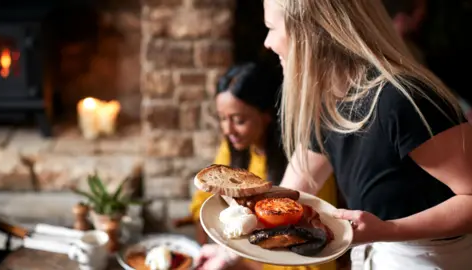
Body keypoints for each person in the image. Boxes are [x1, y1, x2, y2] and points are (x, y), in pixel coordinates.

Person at [195, 0, 472, 269]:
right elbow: (295, 189)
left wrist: (389, 229)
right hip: (376, 254)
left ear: (312, 31)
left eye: (272, 27)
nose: (267, 42)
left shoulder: (402, 100)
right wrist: (226, 252)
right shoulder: (330, 102)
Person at [190, 62, 338, 270]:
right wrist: (208, 249)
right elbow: (202, 204)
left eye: (238, 120)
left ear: (267, 115)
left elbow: (310, 258)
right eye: (222, 119)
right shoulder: (233, 147)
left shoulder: (304, 163)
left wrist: (239, 261)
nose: (227, 129)